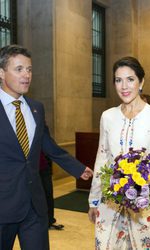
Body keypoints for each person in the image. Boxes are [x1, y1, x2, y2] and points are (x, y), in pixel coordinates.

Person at [0, 44, 93, 250]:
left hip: (34, 205)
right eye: (19, 69)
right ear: (1, 72)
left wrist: (77, 168)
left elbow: (48, 145)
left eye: (29, 69)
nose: (27, 75)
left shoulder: (36, 108)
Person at [88, 56, 150, 249]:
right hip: (110, 199)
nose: (124, 86)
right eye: (118, 80)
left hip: (144, 200)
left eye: (130, 79)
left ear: (141, 82)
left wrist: (147, 182)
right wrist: (94, 200)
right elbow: (102, 157)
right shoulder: (108, 116)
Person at [39, 151, 64, 230]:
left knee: (48, 193)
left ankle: (50, 220)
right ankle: (39, 222)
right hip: (30, 169)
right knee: (36, 196)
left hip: (44, 167)